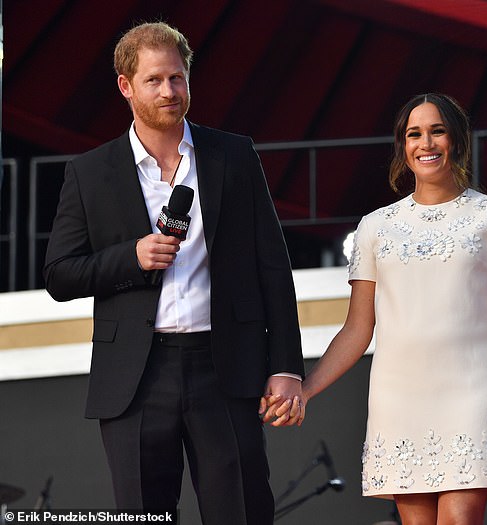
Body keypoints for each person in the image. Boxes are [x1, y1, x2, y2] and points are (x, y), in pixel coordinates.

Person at [43, 22, 304, 525]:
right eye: (154, 80)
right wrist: (131, 257)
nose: (169, 91)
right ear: (126, 86)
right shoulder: (90, 172)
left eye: (178, 79)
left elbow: (273, 266)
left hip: (226, 367)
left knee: (245, 513)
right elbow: (59, 274)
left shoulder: (233, 155)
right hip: (136, 379)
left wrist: (287, 366)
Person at [269, 93, 487, 524]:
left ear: (457, 140)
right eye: (414, 133)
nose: (426, 143)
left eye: (438, 131)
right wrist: (306, 387)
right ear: (403, 145)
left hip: (474, 393)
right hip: (399, 403)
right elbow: (357, 329)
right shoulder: (376, 227)